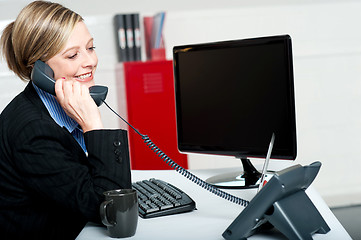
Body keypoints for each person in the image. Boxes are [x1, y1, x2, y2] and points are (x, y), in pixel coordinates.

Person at [0, 1, 131, 239]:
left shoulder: (57, 110)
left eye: (90, 48)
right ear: (40, 69)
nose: (90, 61)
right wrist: (93, 124)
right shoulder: (33, 130)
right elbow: (112, 211)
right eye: (73, 55)